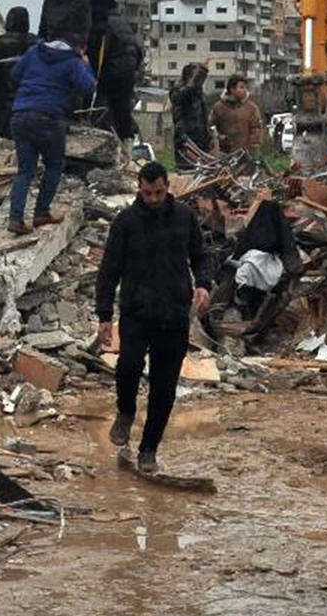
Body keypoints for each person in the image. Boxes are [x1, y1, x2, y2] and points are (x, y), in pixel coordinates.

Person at [96, 161, 210, 475]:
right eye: (147, 193)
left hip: (174, 314)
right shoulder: (126, 222)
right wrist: (104, 314)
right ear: (139, 189)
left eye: (159, 192)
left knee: (164, 387)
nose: (154, 199)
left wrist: (203, 284)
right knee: (128, 366)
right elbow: (109, 270)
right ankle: (126, 411)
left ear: (167, 187)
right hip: (136, 311)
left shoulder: (185, 217)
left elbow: (200, 256)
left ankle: (148, 450)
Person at [7, 35, 95, 235]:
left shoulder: (34, 52)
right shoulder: (73, 61)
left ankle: (15, 219)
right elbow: (89, 88)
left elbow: (14, 75)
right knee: (54, 165)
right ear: (81, 47)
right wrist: (85, 64)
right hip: (49, 117)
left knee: (24, 170)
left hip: (20, 114)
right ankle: (41, 213)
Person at [0, 6, 35, 138]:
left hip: (6, 96)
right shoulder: (36, 42)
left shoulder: (2, 42)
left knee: (5, 130)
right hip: (31, 95)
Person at [95, 22, 142, 142]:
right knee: (122, 114)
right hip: (126, 79)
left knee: (106, 114)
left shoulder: (100, 23)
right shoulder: (125, 27)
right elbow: (139, 55)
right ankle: (126, 145)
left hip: (108, 78)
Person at [209, 75, 266, 157]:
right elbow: (211, 127)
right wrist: (220, 138)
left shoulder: (251, 108)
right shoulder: (219, 107)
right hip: (224, 155)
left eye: (246, 87)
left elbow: (257, 128)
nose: (245, 90)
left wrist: (253, 147)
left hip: (245, 156)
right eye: (241, 87)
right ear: (232, 89)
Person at [170, 63, 212, 167]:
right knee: (187, 171)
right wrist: (199, 74)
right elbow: (185, 93)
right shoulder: (179, 92)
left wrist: (209, 137)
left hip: (201, 141)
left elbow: (204, 119)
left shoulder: (200, 95)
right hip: (186, 140)